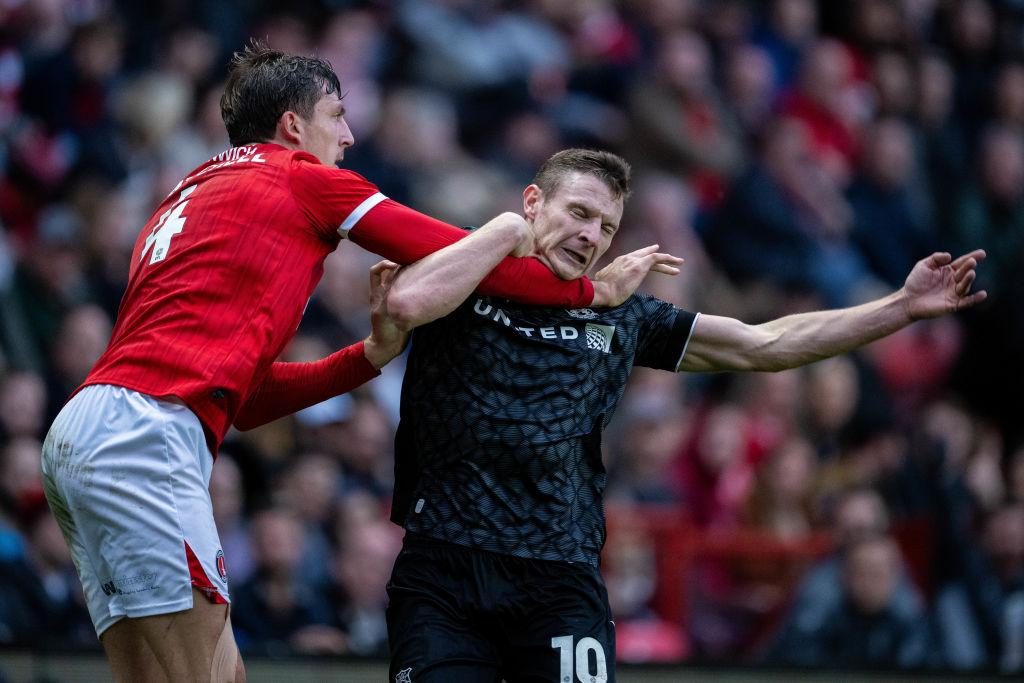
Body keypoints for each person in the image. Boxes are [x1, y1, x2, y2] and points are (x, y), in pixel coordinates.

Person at [38, 44, 633, 683]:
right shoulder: (298, 176)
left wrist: (367, 358)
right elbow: (453, 259)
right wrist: (578, 282)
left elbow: (251, 400)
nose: (349, 136)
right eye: (337, 115)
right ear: (294, 126)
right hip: (147, 437)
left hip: (86, 431)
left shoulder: (192, 192)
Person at [379, 148, 986, 681]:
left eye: (607, 227)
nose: (592, 236)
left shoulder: (623, 319)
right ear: (533, 201)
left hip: (558, 578)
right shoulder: (466, 271)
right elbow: (407, 303)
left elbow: (766, 344)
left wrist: (900, 308)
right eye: (579, 213)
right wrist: (506, 230)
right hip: (444, 570)